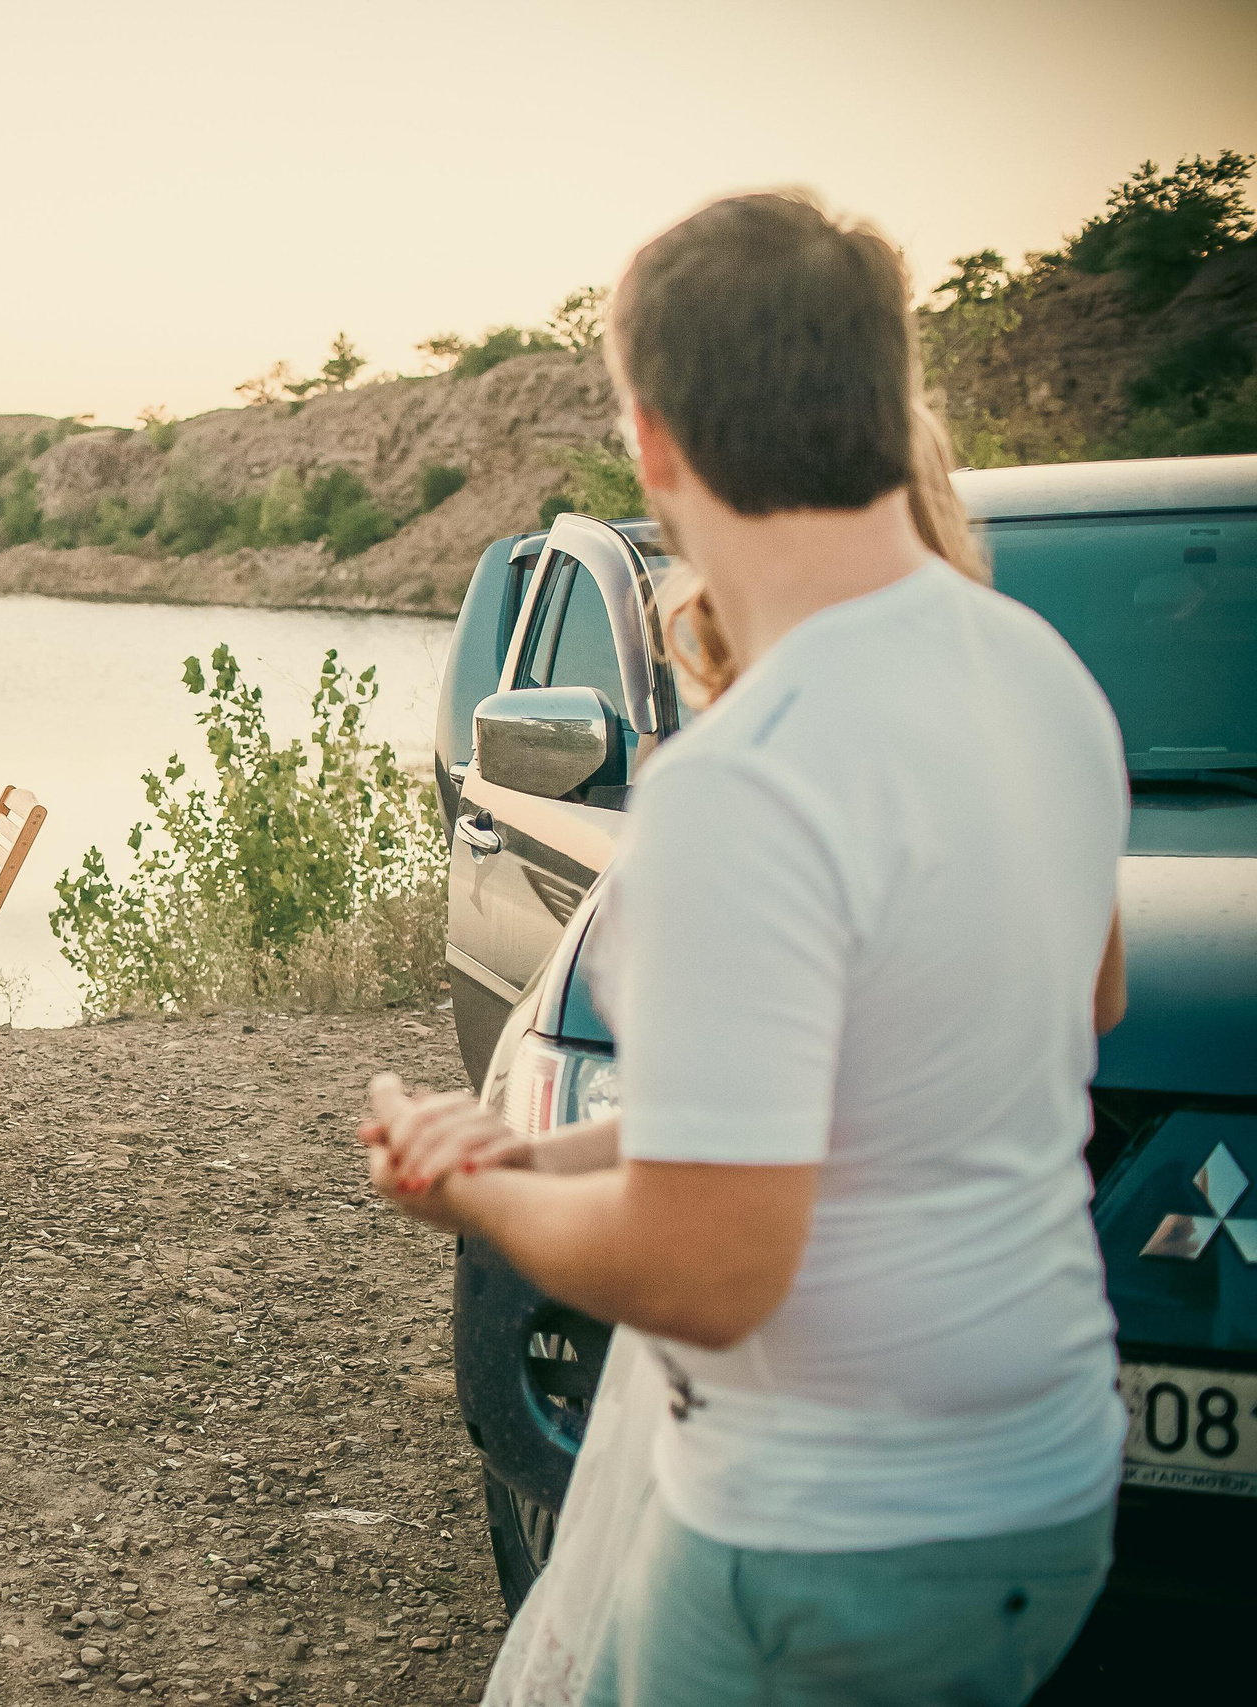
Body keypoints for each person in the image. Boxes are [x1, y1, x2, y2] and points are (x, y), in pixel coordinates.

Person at [361, 191, 1130, 1706]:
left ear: (655, 444)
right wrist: (536, 1156)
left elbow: (710, 1269)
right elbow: (1048, 1017)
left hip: (824, 1542)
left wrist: (480, 1205)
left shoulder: (747, 777)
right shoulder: (1039, 671)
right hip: (1044, 1483)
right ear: (886, 401)